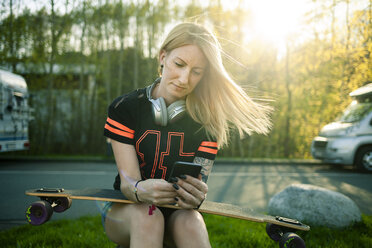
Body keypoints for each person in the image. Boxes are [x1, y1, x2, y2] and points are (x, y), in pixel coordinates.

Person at [102, 22, 272, 248]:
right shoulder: (125, 108)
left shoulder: (208, 124)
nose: (184, 79)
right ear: (163, 57)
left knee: (192, 221)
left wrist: (197, 195)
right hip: (125, 209)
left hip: (177, 214)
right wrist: (139, 189)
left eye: (196, 72)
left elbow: (196, 189)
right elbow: (127, 183)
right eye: (179, 64)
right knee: (148, 217)